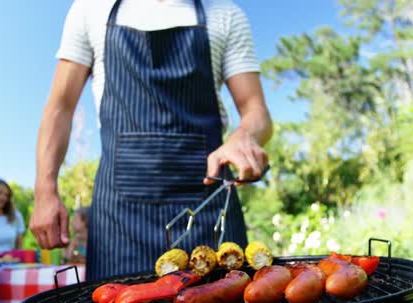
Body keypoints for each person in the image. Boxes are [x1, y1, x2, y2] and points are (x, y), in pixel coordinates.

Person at [30, 0, 272, 281]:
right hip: (118, 216)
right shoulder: (90, 9)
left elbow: (257, 112)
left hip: (208, 202)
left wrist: (244, 136)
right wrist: (45, 189)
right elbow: (60, 107)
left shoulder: (226, 14)